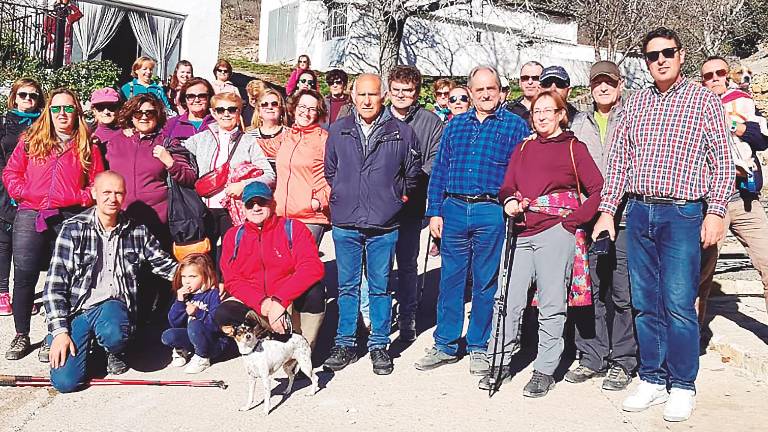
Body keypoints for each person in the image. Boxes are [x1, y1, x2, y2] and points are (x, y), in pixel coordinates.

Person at [591, 27, 734, 422]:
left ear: (681, 55)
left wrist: (716, 211)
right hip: (638, 213)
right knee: (644, 302)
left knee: (678, 303)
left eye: (667, 52)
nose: (661, 60)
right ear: (646, 61)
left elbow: (721, 162)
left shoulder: (704, 100)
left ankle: (682, 383)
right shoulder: (634, 104)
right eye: (652, 55)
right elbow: (619, 163)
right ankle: (652, 377)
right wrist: (607, 211)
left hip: (683, 214)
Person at [477, 90, 603, 397]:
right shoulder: (523, 147)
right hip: (521, 230)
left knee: (551, 304)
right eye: (537, 111)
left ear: (561, 113)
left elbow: (599, 190)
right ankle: (500, 360)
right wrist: (508, 200)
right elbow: (508, 184)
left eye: (549, 110)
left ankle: (544, 369)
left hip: (556, 232)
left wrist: (572, 222)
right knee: (508, 299)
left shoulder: (574, 147)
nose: (542, 116)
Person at [414, 65, 528, 376]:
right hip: (453, 207)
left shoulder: (515, 127)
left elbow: (522, 172)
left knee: (485, 280)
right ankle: (446, 343)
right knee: (450, 277)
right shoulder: (455, 125)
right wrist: (435, 211)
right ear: (471, 92)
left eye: (491, 88)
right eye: (479, 90)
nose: (486, 94)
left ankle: (479, 344)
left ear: (501, 91)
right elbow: (439, 172)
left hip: (490, 210)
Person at [322, 73, 421, 376]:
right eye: (361, 94)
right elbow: (330, 171)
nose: (367, 100)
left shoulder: (402, 132)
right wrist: (342, 194)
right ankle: (345, 344)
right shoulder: (338, 131)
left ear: (384, 96)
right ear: (352, 96)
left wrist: (395, 197)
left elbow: (413, 173)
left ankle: (379, 345)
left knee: (379, 288)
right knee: (347, 287)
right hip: (346, 222)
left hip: (384, 223)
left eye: (373, 95)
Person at [43, 171, 179, 392]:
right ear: (94, 193)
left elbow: (164, 265)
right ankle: (70, 340)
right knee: (66, 383)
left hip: (113, 308)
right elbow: (53, 287)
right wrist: (60, 332)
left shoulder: (137, 230)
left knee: (114, 332)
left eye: (118, 193)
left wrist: (197, 279)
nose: (112, 198)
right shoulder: (73, 229)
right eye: (106, 192)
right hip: (77, 310)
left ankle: (112, 349)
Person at [3, 88, 105, 361]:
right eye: (57, 108)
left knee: (61, 277)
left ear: (77, 112)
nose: (63, 114)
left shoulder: (87, 144)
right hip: (31, 212)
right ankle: (21, 334)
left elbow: (98, 182)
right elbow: (11, 172)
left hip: (70, 214)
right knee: (24, 275)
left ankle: (54, 334)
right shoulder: (31, 139)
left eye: (69, 108)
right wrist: (23, 192)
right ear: (49, 111)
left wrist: (81, 197)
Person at [568, 61, 637, 391]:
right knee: (590, 289)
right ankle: (591, 355)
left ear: (620, 84)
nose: (604, 88)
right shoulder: (579, 123)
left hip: (625, 217)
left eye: (609, 82)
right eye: (598, 83)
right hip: (590, 217)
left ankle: (622, 360)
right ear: (591, 87)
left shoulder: (634, 117)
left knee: (623, 292)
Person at [257, 89, 330, 347]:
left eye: (312, 108)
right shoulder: (288, 136)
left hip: (309, 216)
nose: (306, 112)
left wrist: (320, 198)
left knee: (303, 276)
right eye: (302, 106)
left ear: (319, 112)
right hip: (282, 215)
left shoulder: (323, 139)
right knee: (282, 273)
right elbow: (260, 145)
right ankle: (283, 335)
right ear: (294, 107)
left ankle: (304, 342)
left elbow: (336, 173)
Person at [698, 56, 768, 319]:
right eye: (708, 75)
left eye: (720, 72)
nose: (715, 78)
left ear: (728, 75)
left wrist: (738, 127)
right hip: (710, 202)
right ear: (702, 80)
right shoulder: (695, 106)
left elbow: (763, 139)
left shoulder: (743, 102)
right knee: (701, 274)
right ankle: (693, 337)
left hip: (744, 199)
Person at [213, 181, 325, 343]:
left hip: (288, 301)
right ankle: (261, 341)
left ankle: (301, 350)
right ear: (243, 208)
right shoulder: (233, 236)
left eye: (262, 202)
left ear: (272, 204)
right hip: (256, 303)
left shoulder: (294, 228)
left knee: (315, 291)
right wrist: (263, 303)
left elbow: (311, 267)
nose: (256, 208)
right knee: (224, 312)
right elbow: (232, 280)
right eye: (250, 204)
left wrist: (280, 302)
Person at [384, 65, 444, 342]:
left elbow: (435, 160)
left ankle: (408, 314)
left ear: (417, 92)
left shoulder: (430, 122)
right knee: (379, 265)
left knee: (408, 262)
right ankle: (379, 318)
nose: (401, 95)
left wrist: (410, 179)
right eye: (396, 90)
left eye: (407, 91)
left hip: (412, 204)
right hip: (379, 205)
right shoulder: (379, 117)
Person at [183, 92, 275, 267]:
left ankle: (227, 287)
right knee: (204, 255)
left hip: (232, 209)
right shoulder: (201, 139)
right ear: (214, 112)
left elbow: (269, 175)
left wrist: (243, 185)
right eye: (221, 109)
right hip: (204, 207)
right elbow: (179, 154)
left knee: (231, 254)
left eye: (232, 110)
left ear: (239, 112)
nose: (226, 114)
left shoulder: (248, 142)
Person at [105, 94, 196, 246]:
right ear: (131, 116)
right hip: (121, 219)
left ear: (158, 115)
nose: (144, 117)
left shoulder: (167, 143)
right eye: (138, 112)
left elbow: (189, 177)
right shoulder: (115, 142)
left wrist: (169, 162)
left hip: (158, 222)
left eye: (150, 113)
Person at [0, 78, 45, 317]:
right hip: (5, 189)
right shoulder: (5, 122)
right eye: (23, 94)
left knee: (27, 247)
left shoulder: (43, 123)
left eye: (33, 95)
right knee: (3, 243)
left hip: (33, 192)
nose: (28, 99)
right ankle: (2, 293)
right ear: (14, 97)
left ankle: (24, 295)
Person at [161, 253, 230, 373]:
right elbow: (174, 322)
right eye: (184, 277)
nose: (187, 281)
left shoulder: (213, 294)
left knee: (195, 325)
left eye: (192, 277)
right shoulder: (183, 295)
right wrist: (179, 301)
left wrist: (198, 313)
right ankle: (184, 350)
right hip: (194, 338)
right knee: (168, 335)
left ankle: (203, 357)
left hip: (214, 342)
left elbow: (218, 325)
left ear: (204, 276)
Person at [162, 78, 216, 142]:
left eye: (202, 96)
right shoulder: (172, 124)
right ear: (184, 99)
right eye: (191, 96)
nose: (196, 100)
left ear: (209, 98)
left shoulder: (217, 123)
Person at [90, 87, 123, 153]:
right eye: (100, 107)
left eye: (111, 107)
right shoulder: (87, 135)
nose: (106, 112)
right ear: (94, 110)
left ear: (119, 109)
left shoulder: (128, 134)